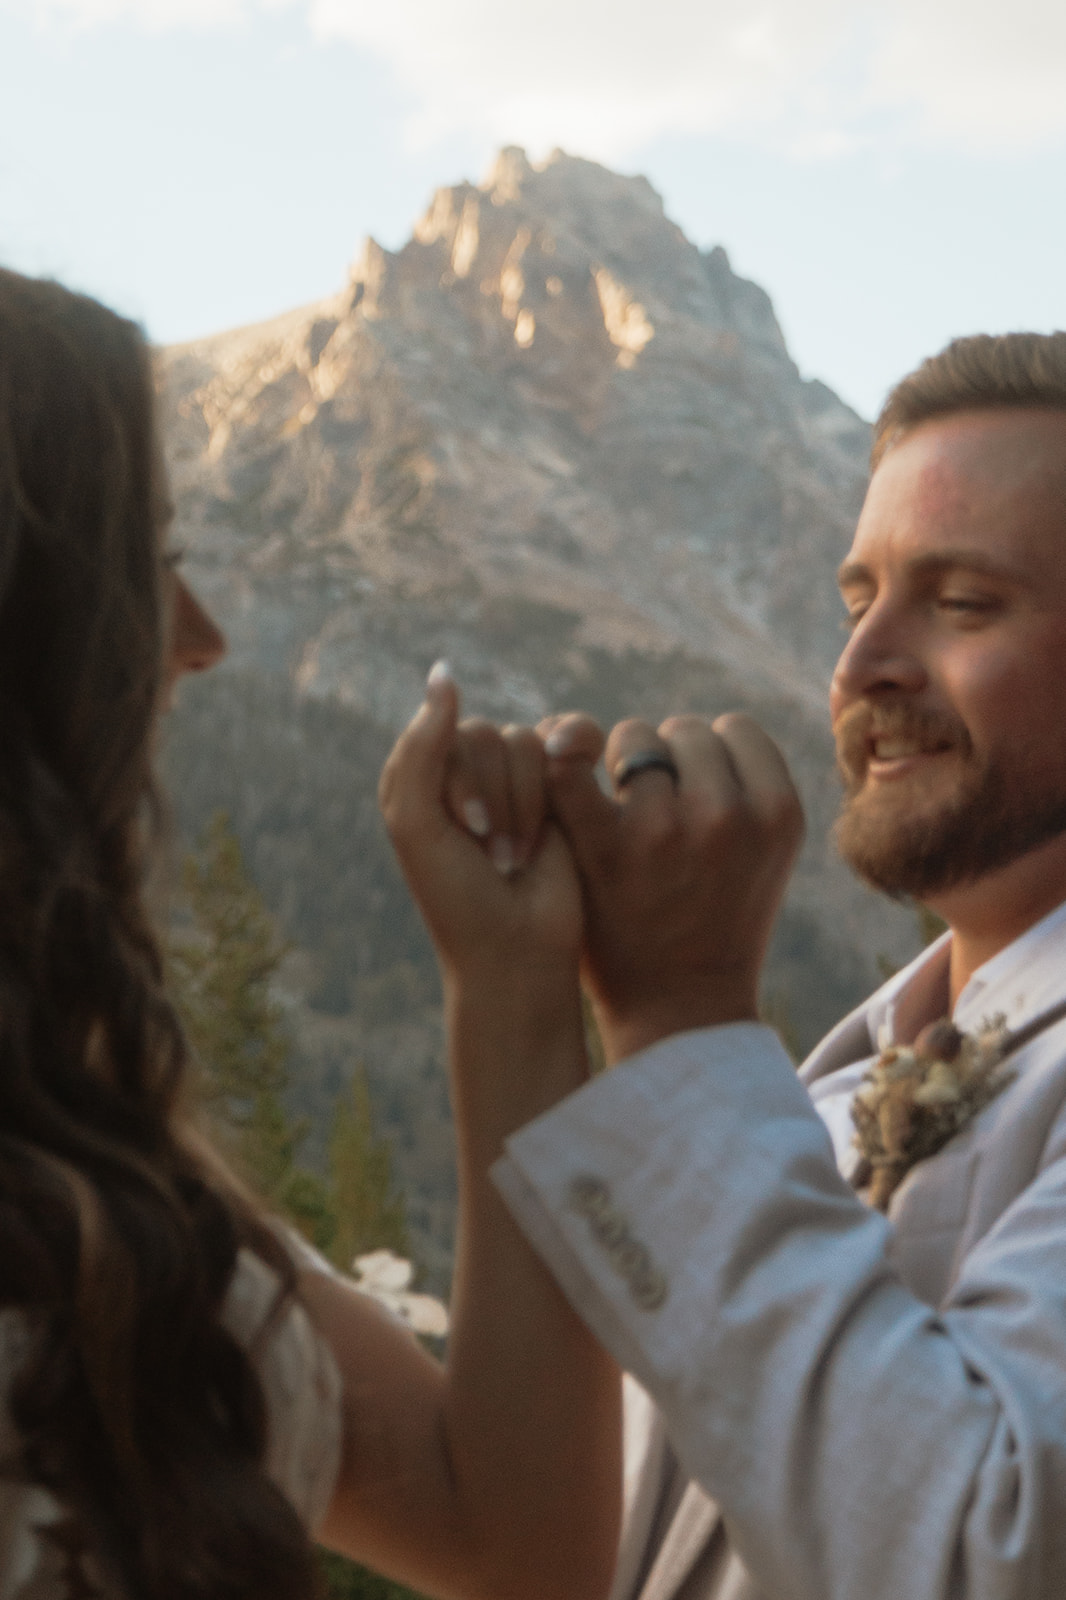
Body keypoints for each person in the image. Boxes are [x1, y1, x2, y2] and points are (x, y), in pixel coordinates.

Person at [385, 330, 1066, 1600]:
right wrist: (522, 989)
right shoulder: (800, 1110)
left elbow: (983, 1554)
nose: (861, 667)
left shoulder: (719, 1084)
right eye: (858, 599)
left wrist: (684, 1020)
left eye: (963, 601)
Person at [0, 267, 621, 1600]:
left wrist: (510, 985)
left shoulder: (100, 1180)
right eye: (148, 560)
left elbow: (509, 1538)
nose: (204, 638)